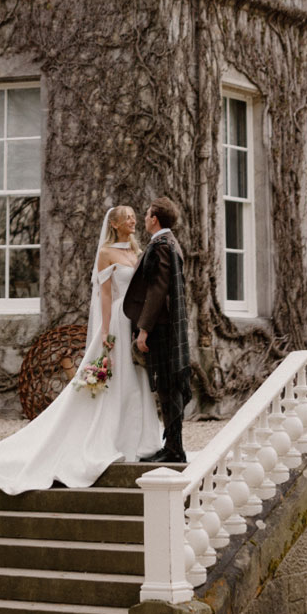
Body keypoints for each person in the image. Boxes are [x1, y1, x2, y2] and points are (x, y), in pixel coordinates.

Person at [0, 205, 162, 493]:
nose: (133, 220)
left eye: (134, 216)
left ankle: (143, 440)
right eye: (128, 217)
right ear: (115, 224)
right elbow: (105, 294)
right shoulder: (106, 253)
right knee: (118, 380)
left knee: (137, 378)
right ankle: (115, 438)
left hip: (136, 319)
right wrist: (105, 331)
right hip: (118, 319)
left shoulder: (136, 251)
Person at [123, 196, 191, 464]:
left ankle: (175, 450)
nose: (144, 217)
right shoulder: (169, 243)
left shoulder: (161, 246)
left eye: (147, 213)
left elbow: (157, 291)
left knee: (167, 387)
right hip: (167, 327)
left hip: (161, 329)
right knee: (167, 386)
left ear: (155, 219)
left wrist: (143, 330)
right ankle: (172, 445)